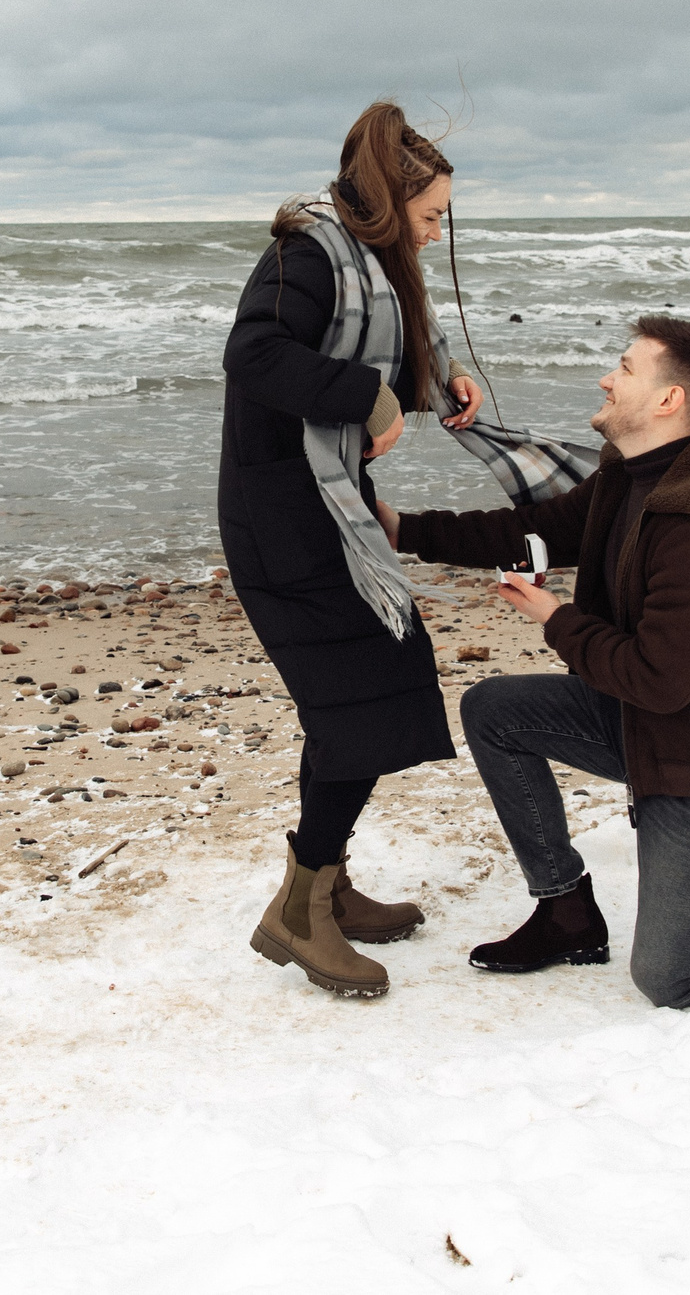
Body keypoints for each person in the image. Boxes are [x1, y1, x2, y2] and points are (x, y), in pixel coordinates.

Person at [377, 316, 690, 1008]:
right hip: (646, 726)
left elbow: (658, 678)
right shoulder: (632, 470)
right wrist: (405, 531)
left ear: (667, 400)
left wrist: (555, 617)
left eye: (624, 367)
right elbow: (543, 529)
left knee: (673, 979)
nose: (605, 377)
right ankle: (565, 911)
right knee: (493, 711)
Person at [219, 101, 591, 998]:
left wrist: (430, 383)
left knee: (367, 690)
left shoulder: (365, 267)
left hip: (328, 508)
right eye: (429, 217)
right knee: (358, 700)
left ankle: (328, 884)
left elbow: (361, 361)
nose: (434, 234)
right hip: (283, 517)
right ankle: (299, 909)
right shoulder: (303, 252)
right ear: (391, 201)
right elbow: (255, 353)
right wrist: (370, 398)